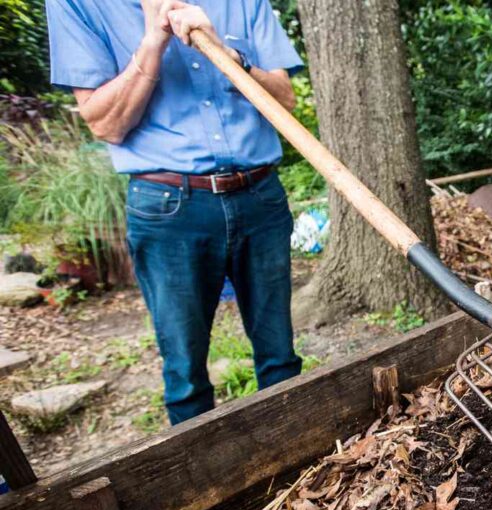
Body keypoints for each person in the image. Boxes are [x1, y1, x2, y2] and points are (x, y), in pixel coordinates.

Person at [46, 0, 304, 425]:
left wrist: (227, 55)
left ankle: (297, 465)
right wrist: (153, 42)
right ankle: (200, 480)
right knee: (184, 370)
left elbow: (285, 98)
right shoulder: (79, 4)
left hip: (260, 197)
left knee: (279, 356)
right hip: (169, 209)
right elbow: (105, 125)